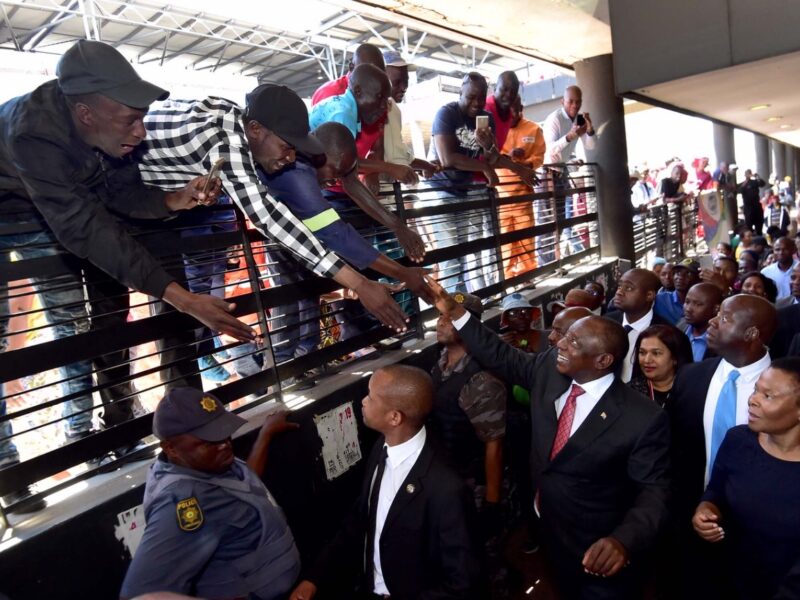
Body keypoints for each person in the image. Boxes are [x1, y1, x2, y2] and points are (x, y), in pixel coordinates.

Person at [0, 40, 247, 474]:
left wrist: (174, 199)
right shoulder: (33, 132)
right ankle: (7, 466)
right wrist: (181, 298)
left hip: (39, 204)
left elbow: (121, 194)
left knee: (72, 323)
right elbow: (84, 228)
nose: (141, 132)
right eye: (131, 120)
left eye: (143, 118)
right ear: (86, 114)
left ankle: (81, 440)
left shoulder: (106, 135)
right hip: (15, 207)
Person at [425, 276, 670, 599]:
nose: (561, 345)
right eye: (565, 337)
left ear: (603, 361)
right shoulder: (547, 372)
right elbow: (497, 352)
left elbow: (654, 491)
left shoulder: (642, 417)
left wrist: (624, 539)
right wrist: (453, 310)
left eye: (574, 343)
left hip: (600, 545)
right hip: (550, 533)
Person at [139, 83, 411, 335]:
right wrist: (360, 284)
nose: (291, 158)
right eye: (286, 146)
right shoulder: (225, 141)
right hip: (117, 190)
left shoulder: (237, 122)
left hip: (155, 198)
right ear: (255, 129)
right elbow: (270, 219)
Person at [289, 365, 483, 600]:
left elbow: (462, 583)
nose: (363, 401)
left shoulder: (446, 488)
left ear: (394, 417)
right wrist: (315, 577)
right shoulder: (381, 448)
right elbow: (362, 517)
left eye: (370, 396)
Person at [261, 122, 434, 381]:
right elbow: (337, 234)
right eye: (334, 170)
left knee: (309, 296)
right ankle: (280, 371)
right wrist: (402, 272)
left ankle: (305, 362)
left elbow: (338, 230)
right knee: (288, 302)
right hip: (278, 242)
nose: (334, 179)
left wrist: (401, 266)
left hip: (299, 237)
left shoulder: (312, 169)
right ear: (319, 154)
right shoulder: (298, 175)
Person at [119, 388, 300, 599]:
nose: (224, 445)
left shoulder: (209, 465)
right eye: (209, 441)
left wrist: (265, 435)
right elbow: (139, 595)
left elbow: (243, 489)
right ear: (171, 448)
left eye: (224, 433)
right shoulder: (182, 503)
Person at [666, 294, 777, 598]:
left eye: (725, 318)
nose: (713, 322)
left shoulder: (787, 388)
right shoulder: (691, 376)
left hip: (759, 530)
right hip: (689, 518)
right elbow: (671, 444)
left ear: (751, 333)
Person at [692, 358, 800, 600]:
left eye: (768, 396)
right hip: (726, 583)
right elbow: (717, 489)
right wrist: (706, 509)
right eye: (756, 390)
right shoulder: (738, 440)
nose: (753, 399)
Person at [307, 65, 425, 260]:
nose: (383, 106)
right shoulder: (343, 114)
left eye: (386, 100)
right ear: (359, 91)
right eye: (379, 98)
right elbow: (350, 179)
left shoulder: (351, 111)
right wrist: (398, 227)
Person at [427, 72, 500, 293]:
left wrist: (488, 146)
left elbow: (494, 158)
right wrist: (484, 167)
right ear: (461, 92)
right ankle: (452, 309)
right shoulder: (446, 114)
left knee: (472, 251)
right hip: (441, 190)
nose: (477, 103)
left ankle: (472, 301)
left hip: (466, 190)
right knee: (451, 255)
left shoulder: (486, 119)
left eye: (481, 97)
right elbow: (447, 158)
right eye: (471, 97)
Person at [543, 86, 596, 256]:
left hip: (562, 172)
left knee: (562, 222)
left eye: (578, 101)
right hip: (547, 174)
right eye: (570, 101)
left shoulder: (578, 120)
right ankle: (548, 265)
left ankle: (556, 262)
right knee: (547, 224)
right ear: (562, 102)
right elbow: (549, 151)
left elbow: (591, 145)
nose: (574, 105)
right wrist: (569, 137)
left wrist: (589, 129)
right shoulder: (555, 119)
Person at [498, 95, 546, 279]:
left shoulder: (534, 129)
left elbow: (539, 157)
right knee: (505, 244)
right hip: (500, 197)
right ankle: (509, 279)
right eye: (508, 112)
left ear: (521, 108)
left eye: (516, 111)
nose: (512, 115)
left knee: (526, 239)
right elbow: (489, 156)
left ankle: (528, 276)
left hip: (523, 195)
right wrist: (508, 156)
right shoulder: (495, 131)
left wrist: (526, 164)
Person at [380, 50, 440, 176]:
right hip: (382, 186)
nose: (403, 87)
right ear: (381, 79)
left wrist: (422, 166)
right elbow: (396, 156)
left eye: (405, 81)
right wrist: (426, 166)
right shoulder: (389, 106)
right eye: (397, 82)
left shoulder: (386, 106)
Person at [605, 268, 669, 382]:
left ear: (649, 295)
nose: (619, 292)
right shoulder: (605, 323)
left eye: (629, 288)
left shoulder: (666, 332)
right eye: (620, 286)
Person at [629, 324, 693, 407]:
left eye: (656, 353)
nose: (647, 360)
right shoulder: (630, 392)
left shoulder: (692, 390)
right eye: (642, 352)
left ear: (675, 358)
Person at [683, 283, 723, 361]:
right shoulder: (680, 325)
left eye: (698, 304)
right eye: (687, 302)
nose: (688, 309)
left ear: (716, 309)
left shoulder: (722, 342)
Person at [654, 258, 701, 325]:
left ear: (698, 279)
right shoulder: (659, 300)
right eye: (678, 272)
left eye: (688, 273)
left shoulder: (703, 304)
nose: (680, 277)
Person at [761, 237, 798, 301]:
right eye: (777, 250)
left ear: (793, 250)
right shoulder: (766, 272)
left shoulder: (798, 268)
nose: (781, 252)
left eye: (785, 249)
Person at [737, 169, 766, 235]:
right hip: (748, 208)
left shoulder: (755, 182)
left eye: (749, 173)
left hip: (756, 206)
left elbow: (762, 184)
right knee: (748, 225)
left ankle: (759, 236)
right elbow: (739, 190)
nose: (748, 175)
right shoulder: (743, 184)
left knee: (759, 224)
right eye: (747, 173)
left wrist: (757, 177)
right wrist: (746, 181)